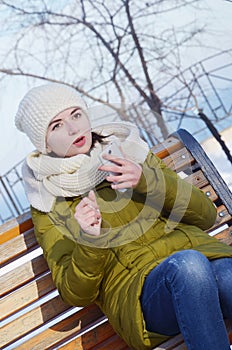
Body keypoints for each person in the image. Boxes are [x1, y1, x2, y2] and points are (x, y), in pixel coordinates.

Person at [15, 83, 232, 350]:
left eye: (75, 114)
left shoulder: (130, 152)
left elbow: (207, 215)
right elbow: (75, 293)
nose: (72, 128)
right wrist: (89, 240)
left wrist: (147, 181)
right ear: (43, 142)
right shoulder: (48, 199)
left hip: (205, 267)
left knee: (225, 275)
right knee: (188, 267)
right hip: (144, 298)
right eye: (56, 126)